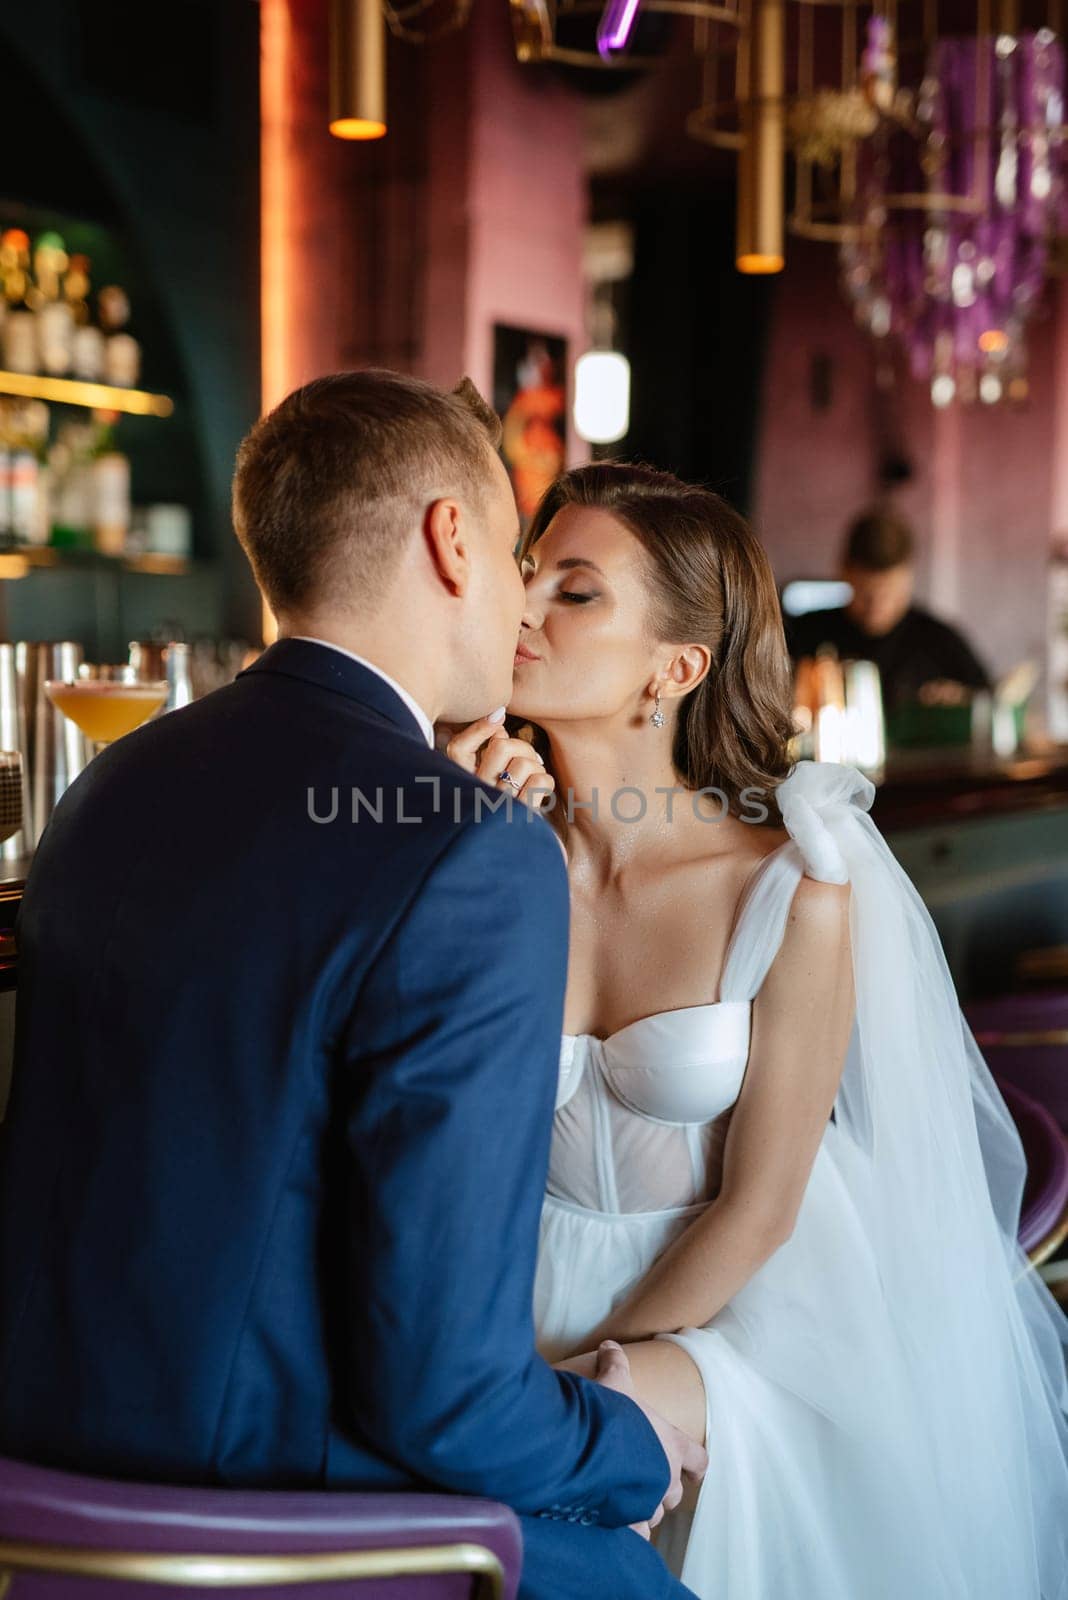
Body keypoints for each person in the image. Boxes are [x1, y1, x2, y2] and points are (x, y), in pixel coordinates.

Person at [0, 372, 705, 1600]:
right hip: (270, 1510)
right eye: (511, 548)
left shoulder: (111, 786)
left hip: (41, 1478)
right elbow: (443, 1396)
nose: (522, 599)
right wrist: (634, 1452)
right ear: (449, 541)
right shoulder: (476, 853)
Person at [447, 462, 1068, 1599]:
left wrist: (566, 1389)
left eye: (575, 592)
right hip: (506, 1297)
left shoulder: (791, 885)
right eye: (527, 574)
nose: (521, 606)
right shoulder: (493, 849)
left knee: (560, 1482)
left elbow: (762, 1207)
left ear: (675, 669)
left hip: (730, 1311)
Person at [784, 508, 992, 712]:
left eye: (890, 592)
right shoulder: (803, 632)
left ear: (908, 578)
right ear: (843, 572)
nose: (877, 606)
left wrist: (963, 700)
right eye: (866, 593)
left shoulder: (941, 640)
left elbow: (989, 700)